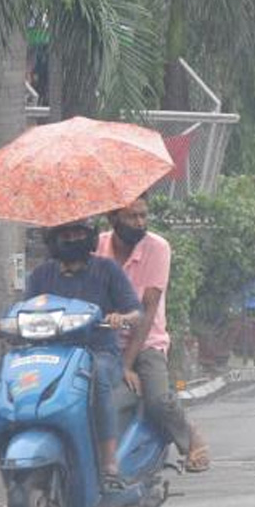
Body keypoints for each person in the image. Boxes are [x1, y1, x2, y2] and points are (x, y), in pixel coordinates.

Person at [0, 219, 141, 492]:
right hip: (48, 354)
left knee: (99, 380)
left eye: (79, 232)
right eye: (65, 233)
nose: (72, 238)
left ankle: (108, 463)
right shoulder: (42, 276)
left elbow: (135, 312)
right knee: (0, 379)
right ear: (53, 239)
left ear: (90, 237)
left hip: (98, 353)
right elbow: (24, 311)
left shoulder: (107, 270)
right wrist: (0, 325)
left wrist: (120, 318)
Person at [96, 198, 211, 473]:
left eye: (144, 216)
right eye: (132, 217)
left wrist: (126, 364)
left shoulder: (157, 247)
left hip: (146, 341)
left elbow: (148, 311)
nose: (140, 223)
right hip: (104, 340)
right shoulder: (97, 246)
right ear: (113, 218)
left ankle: (189, 436)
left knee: (158, 399)